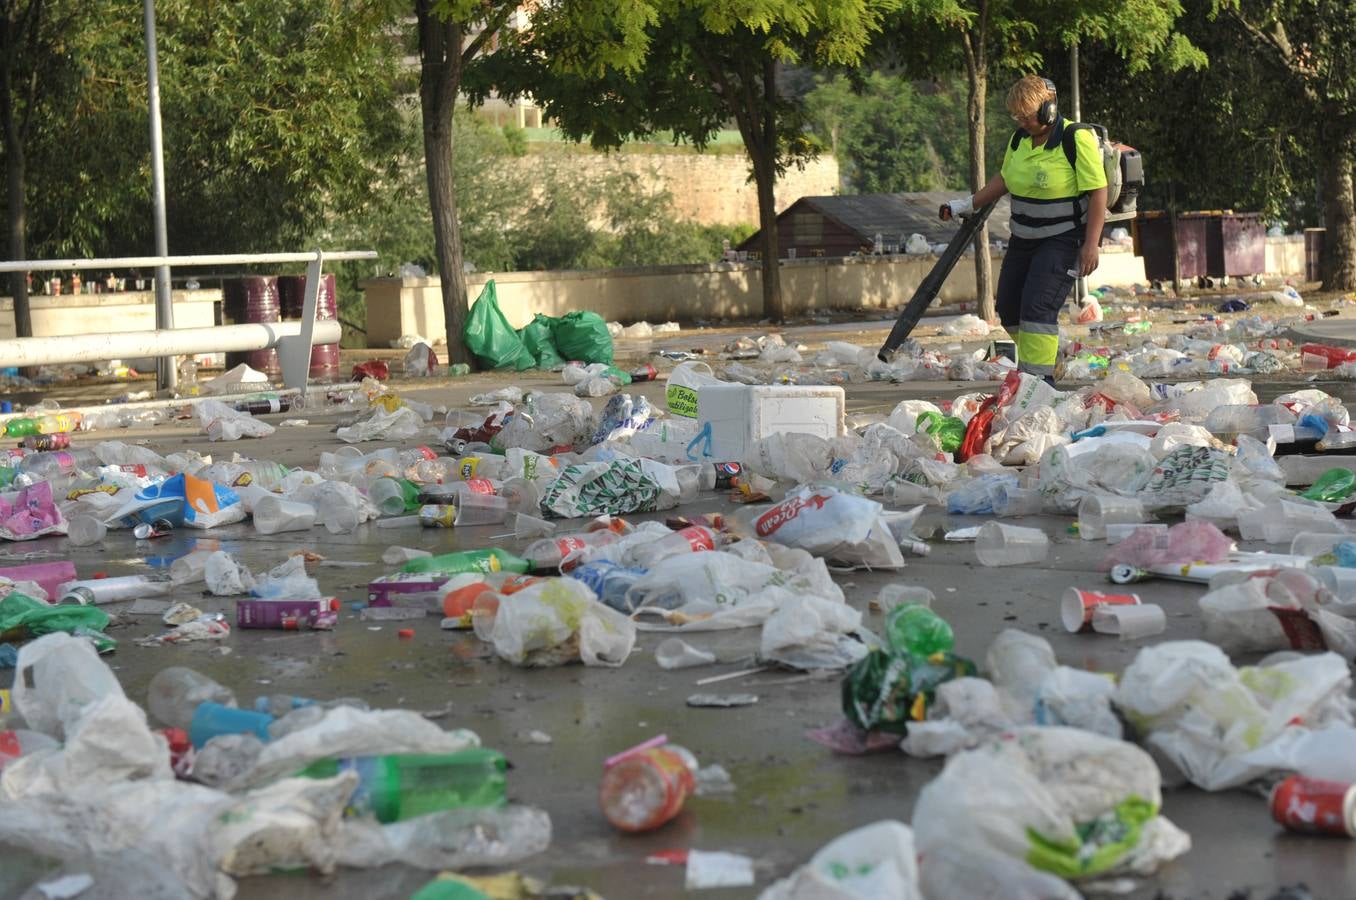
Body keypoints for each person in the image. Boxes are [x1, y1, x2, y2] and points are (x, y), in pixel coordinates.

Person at [941, 75, 1107, 383]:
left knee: (1037, 308)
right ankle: (1044, 360)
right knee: (1009, 307)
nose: (1022, 122)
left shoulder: (1075, 138)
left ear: (1049, 110)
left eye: (1027, 116)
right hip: (1024, 238)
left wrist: (1091, 244)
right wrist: (966, 203)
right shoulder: (1019, 139)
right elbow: (1004, 180)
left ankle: (1038, 383)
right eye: (1017, 117)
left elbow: (1099, 191)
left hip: (1062, 240)